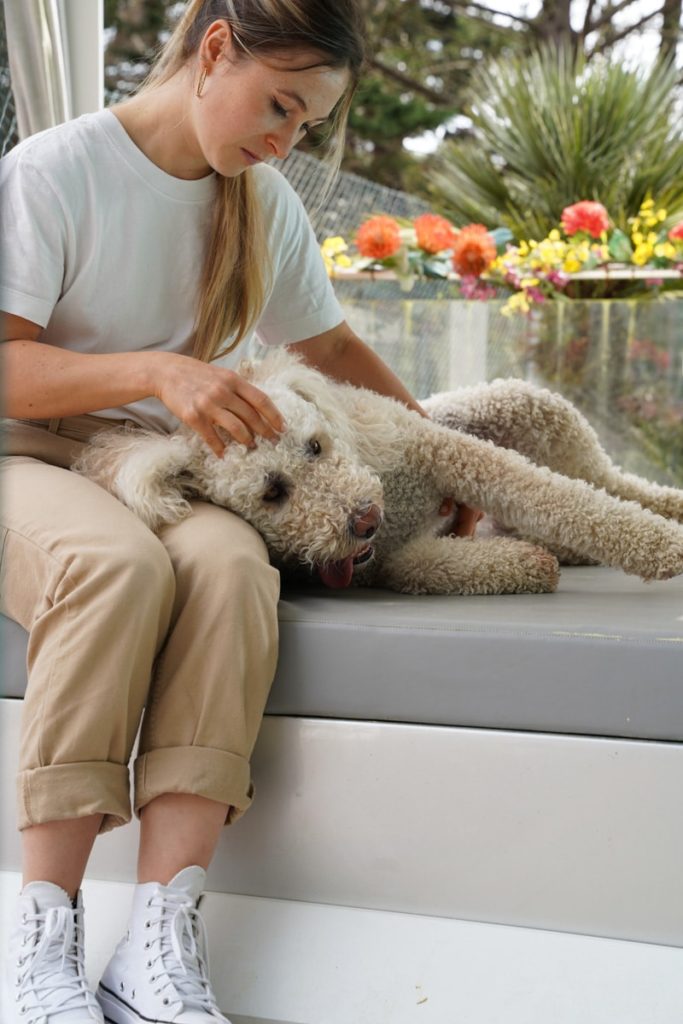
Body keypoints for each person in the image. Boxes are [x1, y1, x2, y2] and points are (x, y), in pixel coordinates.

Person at [0, 1, 478, 1021]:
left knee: (228, 568)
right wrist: (157, 371)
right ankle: (41, 939)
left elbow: (329, 347)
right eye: (279, 106)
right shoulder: (55, 171)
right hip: (24, 453)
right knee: (115, 566)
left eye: (307, 123)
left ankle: (158, 942)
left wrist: (448, 461)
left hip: (165, 468)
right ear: (214, 50)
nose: (285, 139)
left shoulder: (261, 204)